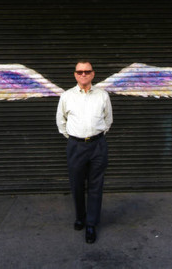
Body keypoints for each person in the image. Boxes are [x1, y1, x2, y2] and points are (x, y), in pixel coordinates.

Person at [56, 60, 113, 244]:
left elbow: (108, 120)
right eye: (80, 71)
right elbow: (61, 122)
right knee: (77, 184)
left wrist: (95, 136)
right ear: (75, 74)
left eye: (87, 71)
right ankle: (80, 217)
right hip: (76, 146)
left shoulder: (103, 95)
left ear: (93, 74)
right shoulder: (66, 96)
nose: (83, 74)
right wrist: (75, 138)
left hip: (97, 145)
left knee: (96, 186)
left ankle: (91, 224)